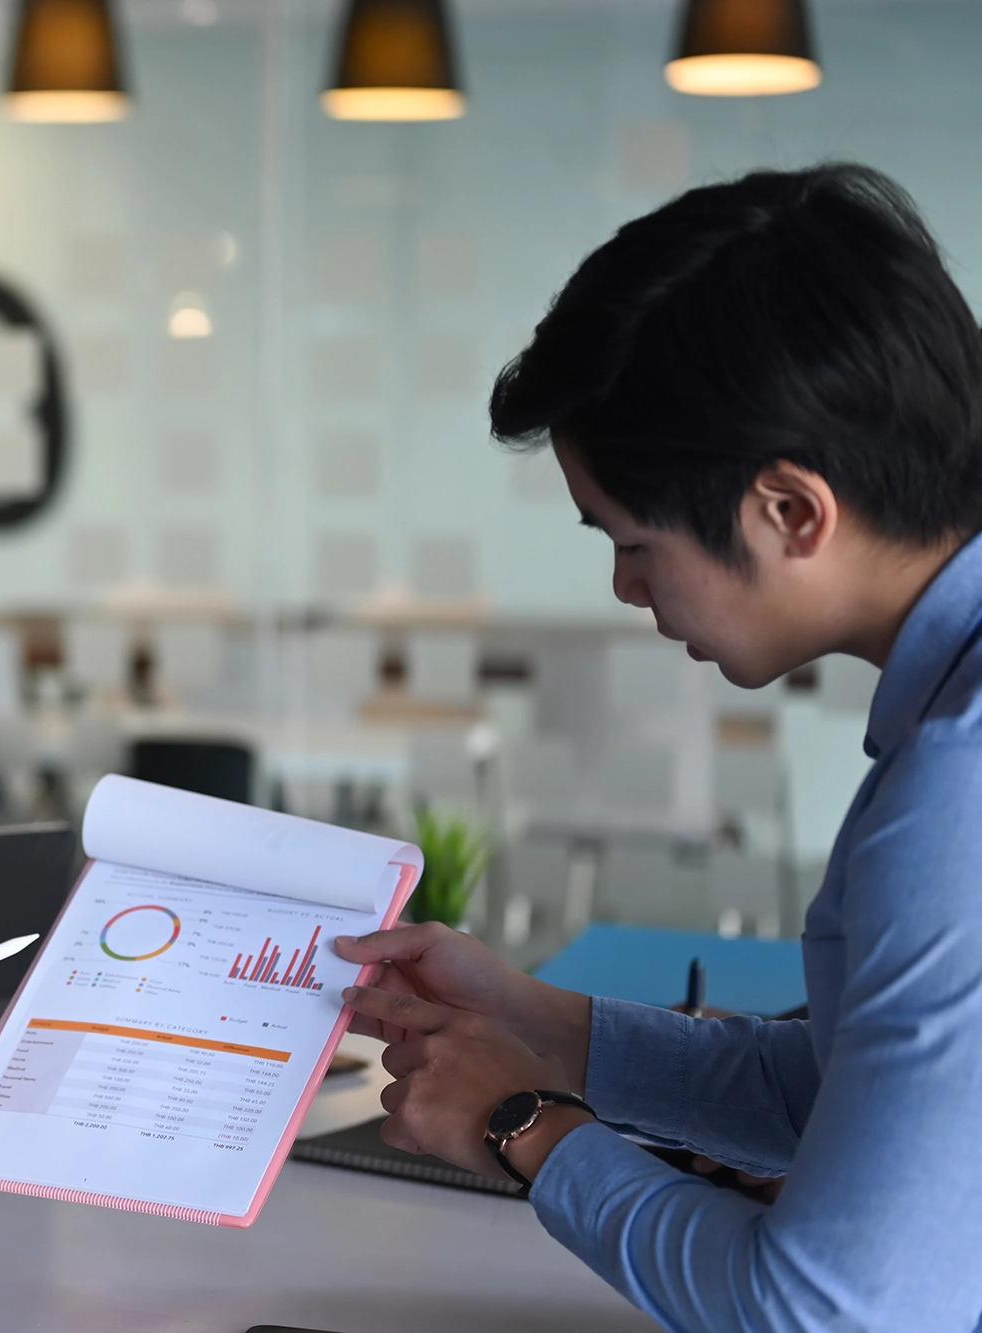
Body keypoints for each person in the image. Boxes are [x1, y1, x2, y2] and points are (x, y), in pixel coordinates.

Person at [334, 164, 982, 1329]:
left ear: (790, 510)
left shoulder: (960, 792)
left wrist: (524, 1127)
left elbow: (825, 1309)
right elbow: (846, 1093)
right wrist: (532, 1015)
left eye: (630, 540)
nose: (625, 586)